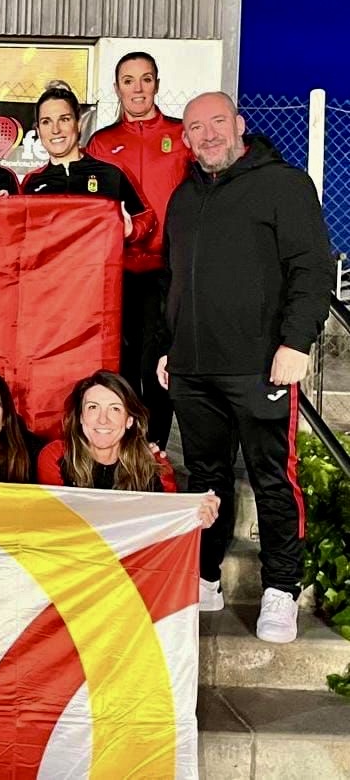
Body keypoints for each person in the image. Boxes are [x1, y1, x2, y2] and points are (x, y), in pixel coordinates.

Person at [158, 91, 333, 644]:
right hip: (193, 368)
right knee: (206, 479)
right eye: (196, 128)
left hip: (261, 366)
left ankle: (281, 588)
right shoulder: (183, 197)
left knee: (272, 477)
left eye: (217, 123)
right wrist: (170, 346)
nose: (208, 135)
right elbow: (174, 279)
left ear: (238, 125)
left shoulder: (283, 184)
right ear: (185, 138)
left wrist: (296, 342)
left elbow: (312, 267)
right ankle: (207, 576)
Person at [84, 53, 191, 448]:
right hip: (119, 269)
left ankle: (156, 445)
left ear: (157, 84)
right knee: (123, 361)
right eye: (128, 81)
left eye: (146, 79)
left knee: (158, 362)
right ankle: (124, 444)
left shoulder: (181, 135)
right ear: (117, 88)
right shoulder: (102, 142)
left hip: (168, 269)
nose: (138, 88)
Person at [21, 85, 154, 243]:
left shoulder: (111, 172)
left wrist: (131, 231)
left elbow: (145, 217)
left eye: (64, 119)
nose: (55, 130)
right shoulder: (31, 183)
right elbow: (16, 235)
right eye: (46, 122)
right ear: (38, 131)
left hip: (99, 260)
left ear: (78, 124)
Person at [36, 371, 180, 492]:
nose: (103, 420)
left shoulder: (155, 466)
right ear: (80, 417)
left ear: (129, 420)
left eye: (115, 409)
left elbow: (170, 514)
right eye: (93, 407)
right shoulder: (56, 456)